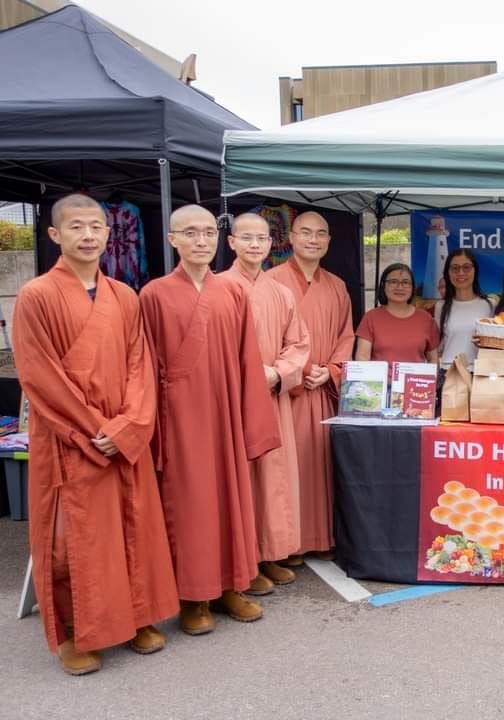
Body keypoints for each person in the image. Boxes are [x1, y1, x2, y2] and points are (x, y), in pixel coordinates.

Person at [11, 193, 178, 676]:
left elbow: (140, 368)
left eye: (96, 227)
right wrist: (94, 429)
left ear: (110, 234)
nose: (88, 236)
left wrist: (127, 426)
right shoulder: (36, 296)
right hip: (70, 437)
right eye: (77, 227)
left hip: (121, 436)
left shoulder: (125, 296)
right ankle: (72, 633)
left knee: (134, 528)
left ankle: (139, 617)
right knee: (72, 542)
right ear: (54, 235)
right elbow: (39, 377)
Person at [140, 205, 280, 636]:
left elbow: (246, 359)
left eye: (208, 233)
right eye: (191, 233)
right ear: (172, 240)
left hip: (223, 411)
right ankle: (192, 597)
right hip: (179, 416)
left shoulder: (232, 292)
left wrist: (248, 417)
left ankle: (230, 586)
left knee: (229, 499)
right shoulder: (153, 295)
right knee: (190, 506)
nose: (202, 241)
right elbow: (143, 365)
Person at [223, 213, 311, 594]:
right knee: (243, 479)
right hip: (234, 401)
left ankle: (270, 554)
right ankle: (244, 561)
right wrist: (245, 376)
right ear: (231, 243)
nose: (255, 245)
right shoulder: (220, 287)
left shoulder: (280, 291)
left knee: (275, 477)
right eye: (247, 238)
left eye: (262, 238)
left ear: (272, 243)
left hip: (273, 396)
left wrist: (277, 373)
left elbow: (299, 343)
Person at [266, 211, 354, 564]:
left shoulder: (337, 285)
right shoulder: (271, 282)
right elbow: (264, 341)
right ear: (290, 237)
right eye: (305, 233)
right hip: (288, 392)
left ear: (329, 241)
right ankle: (289, 541)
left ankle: (322, 535)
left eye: (321, 234)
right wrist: (298, 371)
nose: (313, 240)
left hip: (324, 390)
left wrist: (331, 369)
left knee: (323, 462)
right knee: (290, 465)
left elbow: (347, 335)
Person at [356, 263, 439, 365]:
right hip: (380, 381)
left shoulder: (426, 319)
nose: (400, 287)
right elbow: (362, 358)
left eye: (406, 282)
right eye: (393, 282)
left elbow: (433, 359)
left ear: (413, 287)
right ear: (383, 286)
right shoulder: (370, 318)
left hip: (414, 380)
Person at [434, 248, 492, 370]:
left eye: (466, 267)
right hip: (449, 373)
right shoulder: (441, 306)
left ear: (475, 271)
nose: (460, 272)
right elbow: (437, 346)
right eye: (455, 268)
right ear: (448, 273)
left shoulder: (489, 305)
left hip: (480, 373)